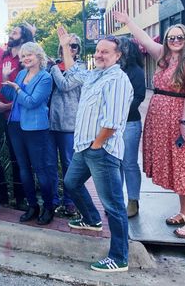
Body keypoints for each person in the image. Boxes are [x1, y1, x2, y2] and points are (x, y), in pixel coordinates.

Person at [114, 11, 185, 239]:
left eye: (180, 37)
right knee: (178, 166)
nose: (175, 41)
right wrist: (129, 22)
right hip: (165, 121)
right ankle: (184, 211)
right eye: (171, 38)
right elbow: (144, 40)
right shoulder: (164, 56)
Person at [59, 27, 133, 273]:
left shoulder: (117, 80)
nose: (100, 54)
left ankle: (119, 257)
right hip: (85, 147)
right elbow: (73, 70)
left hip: (101, 150)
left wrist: (98, 144)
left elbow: (112, 121)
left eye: (106, 51)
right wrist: (64, 45)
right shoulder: (95, 75)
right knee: (71, 183)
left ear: (118, 55)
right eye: (98, 50)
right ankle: (91, 219)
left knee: (113, 205)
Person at [0, 0, 32, 208]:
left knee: (16, 157)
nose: (11, 35)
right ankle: (1, 195)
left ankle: (20, 198)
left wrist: (8, 107)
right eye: (11, 32)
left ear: (24, 38)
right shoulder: (2, 55)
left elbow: (30, 92)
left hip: (14, 114)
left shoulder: (28, 60)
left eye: (16, 33)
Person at [1, 42, 54, 225]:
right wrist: (6, 77)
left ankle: (48, 207)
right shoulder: (21, 74)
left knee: (41, 169)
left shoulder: (45, 78)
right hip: (15, 125)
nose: (25, 59)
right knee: (23, 169)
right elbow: (10, 96)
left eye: (29, 55)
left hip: (35, 128)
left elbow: (32, 102)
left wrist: (17, 89)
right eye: (23, 56)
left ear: (39, 56)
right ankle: (33, 205)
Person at [48, 33, 85, 217]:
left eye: (74, 46)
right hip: (51, 123)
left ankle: (70, 201)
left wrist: (54, 67)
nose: (70, 49)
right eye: (67, 45)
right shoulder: (52, 67)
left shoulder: (80, 70)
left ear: (78, 51)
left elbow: (64, 85)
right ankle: (53, 200)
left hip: (70, 125)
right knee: (51, 164)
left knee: (70, 165)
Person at [117, 37, 146, 218]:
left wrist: (118, 112)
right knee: (116, 164)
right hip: (112, 125)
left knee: (129, 163)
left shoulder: (135, 71)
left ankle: (133, 201)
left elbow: (139, 97)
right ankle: (116, 200)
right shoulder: (113, 70)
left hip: (129, 123)